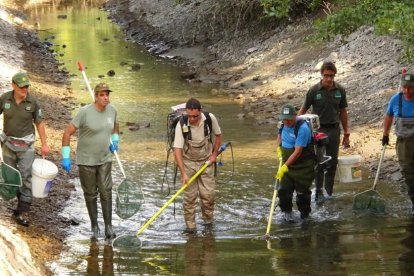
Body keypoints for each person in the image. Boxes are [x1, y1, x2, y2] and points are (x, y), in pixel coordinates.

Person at [61, 83, 119, 239]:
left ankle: (108, 226)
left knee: (106, 190)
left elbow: (115, 126)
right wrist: (65, 155)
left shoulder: (112, 110)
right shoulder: (84, 112)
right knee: (91, 193)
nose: (106, 97)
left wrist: (115, 139)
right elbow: (67, 133)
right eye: (102, 95)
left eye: (107, 94)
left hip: (105, 158)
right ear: (96, 96)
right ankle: (94, 225)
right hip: (86, 160)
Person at [0, 72, 50, 226]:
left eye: (27, 86)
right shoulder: (4, 99)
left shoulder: (33, 102)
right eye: (21, 86)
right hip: (8, 144)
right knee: (11, 175)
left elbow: (39, 123)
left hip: (26, 146)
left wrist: (44, 144)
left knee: (26, 176)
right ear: (13, 85)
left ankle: (23, 212)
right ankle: (18, 204)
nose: (24, 89)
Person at [298, 61, 350, 202]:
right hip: (317, 131)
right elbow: (303, 111)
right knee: (319, 162)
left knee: (332, 163)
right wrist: (294, 128)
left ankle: (329, 192)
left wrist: (346, 133)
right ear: (321, 74)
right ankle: (319, 192)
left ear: (334, 76)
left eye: (331, 76)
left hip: (334, 130)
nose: (328, 79)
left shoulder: (340, 90)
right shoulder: (314, 91)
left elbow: (343, 112)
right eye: (326, 75)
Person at [173, 98, 222, 234]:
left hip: (206, 162)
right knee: (190, 199)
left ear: (200, 111)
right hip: (188, 163)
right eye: (189, 116)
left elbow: (218, 136)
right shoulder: (181, 124)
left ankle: (208, 224)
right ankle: (190, 228)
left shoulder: (209, 119)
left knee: (208, 196)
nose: (192, 119)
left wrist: (214, 155)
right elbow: (177, 150)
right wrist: (183, 173)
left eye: (195, 116)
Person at [276, 104, 316, 221]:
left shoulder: (302, 128)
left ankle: (305, 217)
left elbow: (298, 152)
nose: (287, 122)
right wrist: (279, 148)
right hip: (286, 165)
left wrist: (284, 167)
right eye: (284, 119)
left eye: (289, 119)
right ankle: (287, 214)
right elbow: (279, 136)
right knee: (283, 192)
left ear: (295, 116)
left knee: (302, 194)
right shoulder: (283, 124)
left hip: (303, 166)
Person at [382, 70, 414, 213]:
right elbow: (388, 117)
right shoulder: (395, 99)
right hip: (403, 143)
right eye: (404, 87)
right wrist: (385, 134)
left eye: (410, 87)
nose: (407, 91)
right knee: (407, 172)